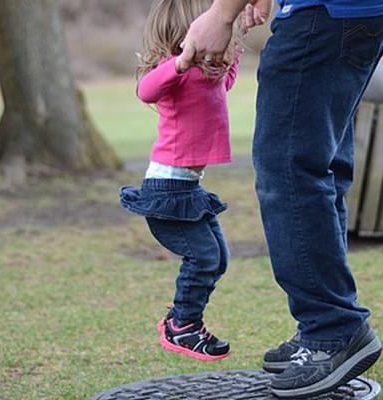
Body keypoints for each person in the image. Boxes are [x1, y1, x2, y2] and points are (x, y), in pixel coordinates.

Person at [180, 0, 383, 397]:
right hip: (358, 12)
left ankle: (332, 330)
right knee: (320, 165)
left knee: (287, 168)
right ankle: (324, 327)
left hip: (324, 13)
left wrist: (221, 14)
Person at [119, 0, 259, 362]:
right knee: (204, 257)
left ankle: (182, 320)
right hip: (167, 192)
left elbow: (224, 82)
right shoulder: (173, 73)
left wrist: (236, 37)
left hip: (189, 189)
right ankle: (183, 324)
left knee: (219, 258)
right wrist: (180, 62)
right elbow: (144, 91)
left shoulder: (208, 74)